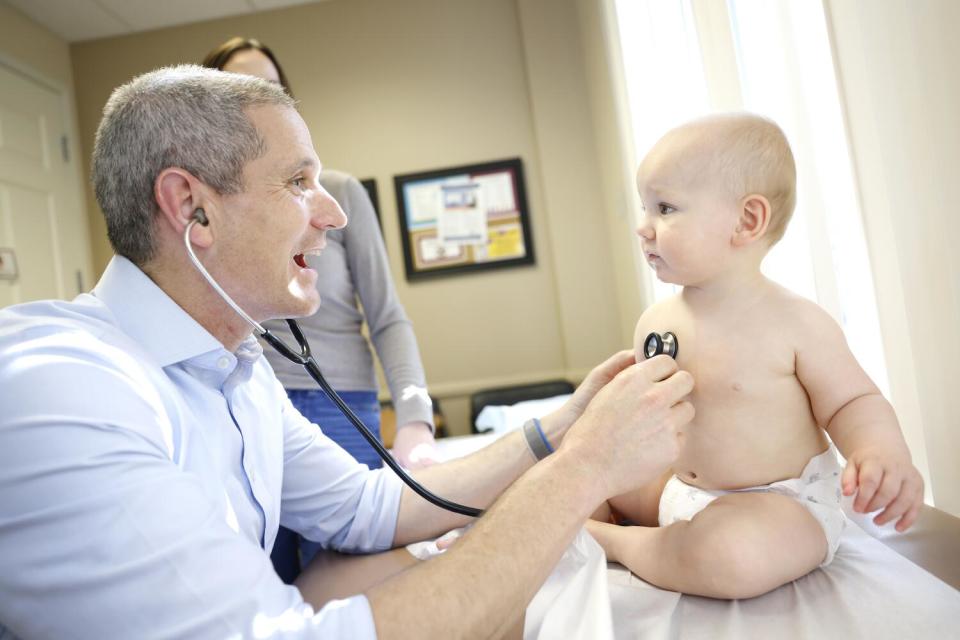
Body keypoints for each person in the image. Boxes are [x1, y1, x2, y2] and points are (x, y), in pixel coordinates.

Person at [0, 65, 694, 638]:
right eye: (299, 182)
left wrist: (561, 429)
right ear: (191, 207)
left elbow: (371, 507)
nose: (331, 214)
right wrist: (586, 469)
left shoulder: (237, 371)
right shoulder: (65, 387)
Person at [586, 113, 925, 600]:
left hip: (778, 506)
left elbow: (853, 402)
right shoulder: (656, 323)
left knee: (731, 558)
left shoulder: (796, 322)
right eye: (644, 208)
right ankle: (642, 534)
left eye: (665, 208)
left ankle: (618, 544)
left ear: (747, 220)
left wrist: (879, 453)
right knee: (573, 480)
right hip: (680, 490)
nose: (643, 227)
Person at [202, 37, 438, 473]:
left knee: (361, 538)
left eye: (272, 88)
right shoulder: (204, 210)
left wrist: (415, 419)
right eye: (240, 88)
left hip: (340, 404)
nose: (260, 100)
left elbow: (388, 319)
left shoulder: (340, 195)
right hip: (241, 405)